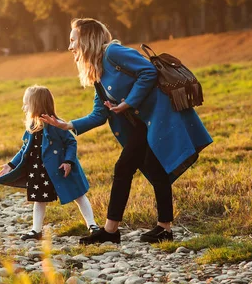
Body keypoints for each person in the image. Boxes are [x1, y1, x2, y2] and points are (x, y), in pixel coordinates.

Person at [41, 18, 212, 244]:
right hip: (142, 125)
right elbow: (99, 114)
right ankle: (162, 229)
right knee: (153, 169)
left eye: (73, 40)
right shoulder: (98, 71)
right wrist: (68, 125)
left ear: (87, 39)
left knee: (125, 168)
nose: (70, 47)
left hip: (158, 117)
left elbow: (148, 71)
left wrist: (128, 103)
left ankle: (114, 231)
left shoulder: (113, 53)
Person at [0, 85, 99, 240]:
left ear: (36, 105)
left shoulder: (56, 124)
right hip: (39, 171)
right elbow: (24, 149)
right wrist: (11, 164)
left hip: (60, 169)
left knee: (78, 195)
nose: (24, 107)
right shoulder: (32, 127)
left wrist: (68, 161)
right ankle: (36, 230)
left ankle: (92, 225)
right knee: (39, 200)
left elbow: (71, 143)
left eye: (26, 104)